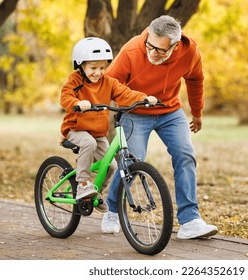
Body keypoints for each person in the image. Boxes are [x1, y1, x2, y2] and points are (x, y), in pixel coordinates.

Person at [101, 15, 218, 239]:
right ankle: (113, 210)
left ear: (175, 46)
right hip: (135, 112)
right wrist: (129, 101)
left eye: (161, 50)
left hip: (170, 111)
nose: (153, 53)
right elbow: (108, 84)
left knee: (185, 154)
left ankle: (190, 220)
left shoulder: (189, 50)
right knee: (133, 162)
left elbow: (195, 79)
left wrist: (197, 112)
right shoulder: (132, 50)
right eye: (150, 46)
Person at [60, 37, 157, 211]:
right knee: (88, 143)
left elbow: (125, 93)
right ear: (80, 65)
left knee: (111, 166)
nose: (98, 72)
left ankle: (94, 194)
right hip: (76, 129)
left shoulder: (109, 82)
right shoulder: (75, 80)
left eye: (102, 68)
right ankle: (83, 184)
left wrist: (143, 98)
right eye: (93, 68)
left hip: (98, 132)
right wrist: (77, 103)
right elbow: (65, 96)